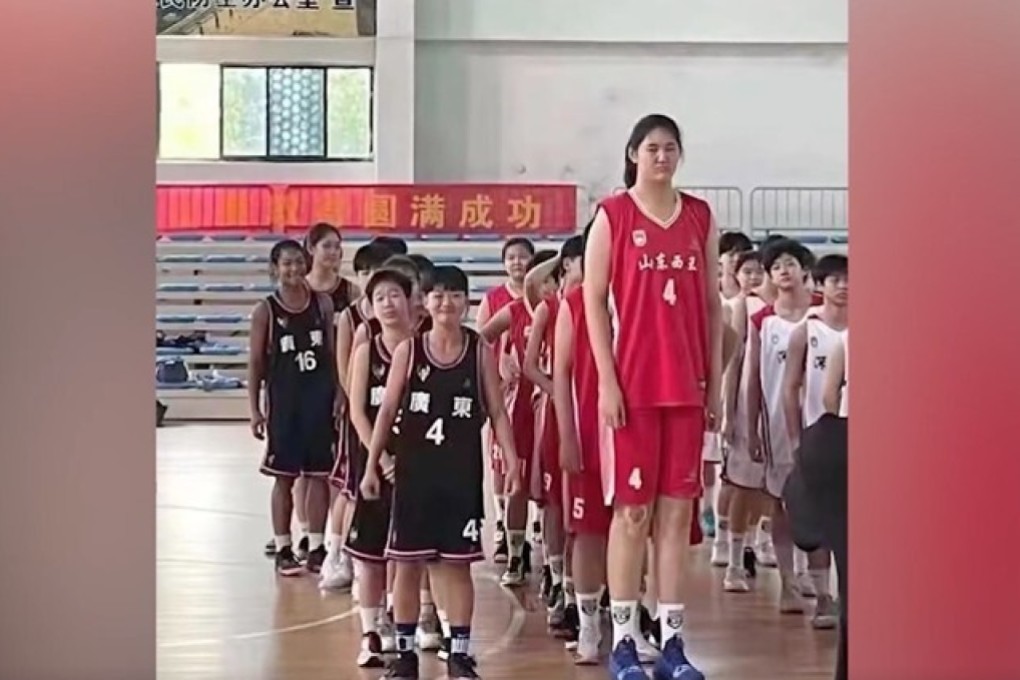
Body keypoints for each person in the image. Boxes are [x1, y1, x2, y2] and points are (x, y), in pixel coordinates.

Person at [584, 114, 722, 680]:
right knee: (631, 515)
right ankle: (622, 640)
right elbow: (593, 300)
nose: (661, 157)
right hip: (634, 389)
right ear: (634, 155)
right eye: (652, 148)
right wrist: (609, 381)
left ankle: (672, 643)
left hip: (685, 388)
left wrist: (713, 380)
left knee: (675, 516)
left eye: (670, 148)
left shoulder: (699, 217)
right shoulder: (612, 216)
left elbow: (713, 306)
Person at [360, 265, 522, 680]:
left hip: (460, 476)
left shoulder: (478, 350)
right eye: (437, 295)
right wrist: (373, 465)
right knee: (408, 565)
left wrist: (513, 460)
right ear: (424, 302)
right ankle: (405, 654)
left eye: (454, 295)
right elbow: (386, 412)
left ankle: (460, 653)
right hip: (414, 476)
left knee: (457, 566)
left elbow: (499, 413)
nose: (446, 302)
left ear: (467, 302)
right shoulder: (409, 352)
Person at [247, 239, 339, 576]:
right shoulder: (265, 311)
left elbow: (331, 352)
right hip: (284, 405)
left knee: (318, 476)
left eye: (299, 262)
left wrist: (340, 394)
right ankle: (284, 545)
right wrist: (255, 410)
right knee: (284, 478)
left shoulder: (322, 303)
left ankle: (316, 546)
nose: (294, 268)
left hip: (320, 400)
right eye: (286, 263)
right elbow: (256, 363)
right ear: (274, 268)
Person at [343, 267, 415, 667]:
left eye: (395, 295)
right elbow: (357, 412)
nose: (388, 303)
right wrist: (381, 459)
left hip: (415, 465)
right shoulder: (366, 350)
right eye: (380, 297)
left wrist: (408, 459)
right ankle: (370, 632)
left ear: (410, 300)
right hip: (374, 464)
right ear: (369, 306)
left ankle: (402, 619)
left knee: (407, 553)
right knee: (370, 554)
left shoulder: (423, 348)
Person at [745, 237, 816, 611]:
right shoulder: (763, 321)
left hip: (823, 422)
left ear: (805, 269)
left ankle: (815, 580)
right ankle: (788, 581)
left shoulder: (825, 313)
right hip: (776, 424)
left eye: (790, 263)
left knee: (821, 501)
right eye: (776, 267)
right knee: (782, 502)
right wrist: (753, 425)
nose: (783, 271)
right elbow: (755, 378)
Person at [480, 249, 558, 587]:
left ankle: (557, 570)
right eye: (541, 283)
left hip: (555, 406)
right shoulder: (515, 311)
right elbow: (482, 339)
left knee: (554, 490)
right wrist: (497, 370)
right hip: (521, 406)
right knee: (518, 486)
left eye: (550, 283)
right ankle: (515, 554)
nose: (545, 289)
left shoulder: (566, 312)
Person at [320, 241, 393, 590]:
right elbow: (346, 369)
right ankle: (335, 554)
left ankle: (370, 562)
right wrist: (355, 408)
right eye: (363, 271)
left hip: (393, 420)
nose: (369, 278)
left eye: (375, 271)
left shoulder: (402, 317)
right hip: (361, 416)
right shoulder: (352, 316)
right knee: (350, 487)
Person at [781, 253, 847, 629]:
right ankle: (823, 596)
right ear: (820, 285)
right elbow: (790, 388)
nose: (843, 285)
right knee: (820, 519)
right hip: (818, 435)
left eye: (848, 278)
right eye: (834, 279)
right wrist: (795, 437)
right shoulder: (807, 330)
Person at [522, 237, 584, 639]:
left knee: (590, 506)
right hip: (557, 412)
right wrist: (556, 391)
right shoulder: (550, 306)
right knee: (555, 502)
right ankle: (559, 578)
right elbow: (530, 366)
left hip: (596, 411)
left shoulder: (608, 303)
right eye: (577, 261)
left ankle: (590, 588)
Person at [475, 237, 535, 563]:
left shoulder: (540, 299)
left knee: (532, 461)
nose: (517, 262)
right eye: (511, 257)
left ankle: (527, 527)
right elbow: (481, 339)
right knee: (500, 461)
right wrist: (496, 369)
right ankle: (501, 524)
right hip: (503, 390)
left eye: (523, 257)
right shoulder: (495, 299)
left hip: (536, 388)